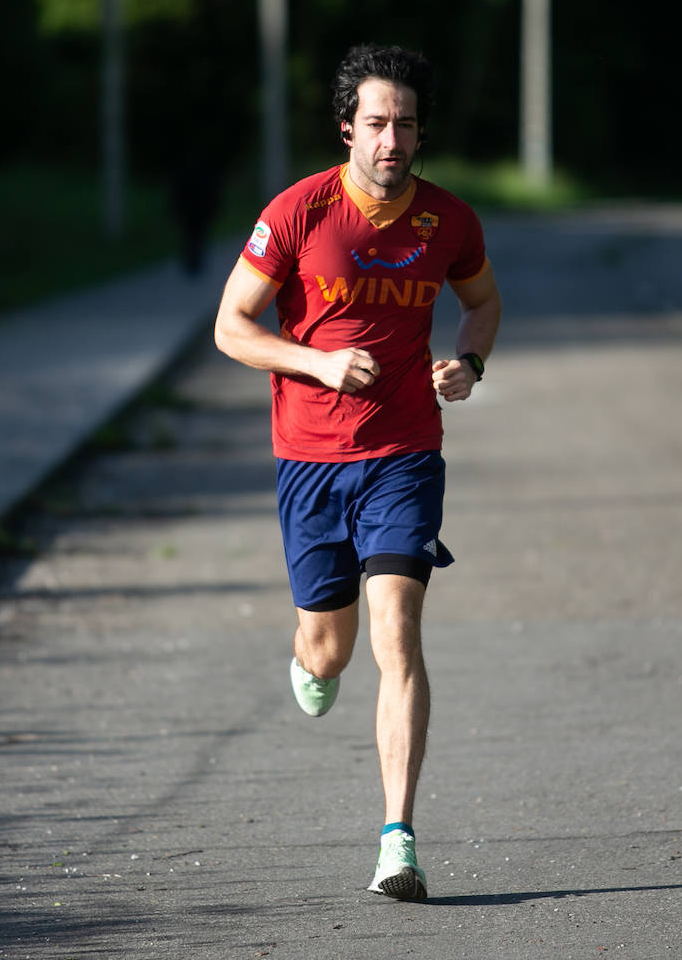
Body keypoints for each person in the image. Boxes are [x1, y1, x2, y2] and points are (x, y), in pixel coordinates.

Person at [214, 44, 503, 902]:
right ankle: (307, 653)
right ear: (348, 127)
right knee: (331, 649)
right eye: (375, 122)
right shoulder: (299, 212)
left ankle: (398, 839)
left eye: (405, 123)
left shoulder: (448, 222)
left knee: (397, 636)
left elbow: (481, 303)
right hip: (310, 460)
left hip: (405, 455)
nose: (390, 139)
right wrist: (316, 363)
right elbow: (232, 327)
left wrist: (468, 366)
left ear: (420, 133)